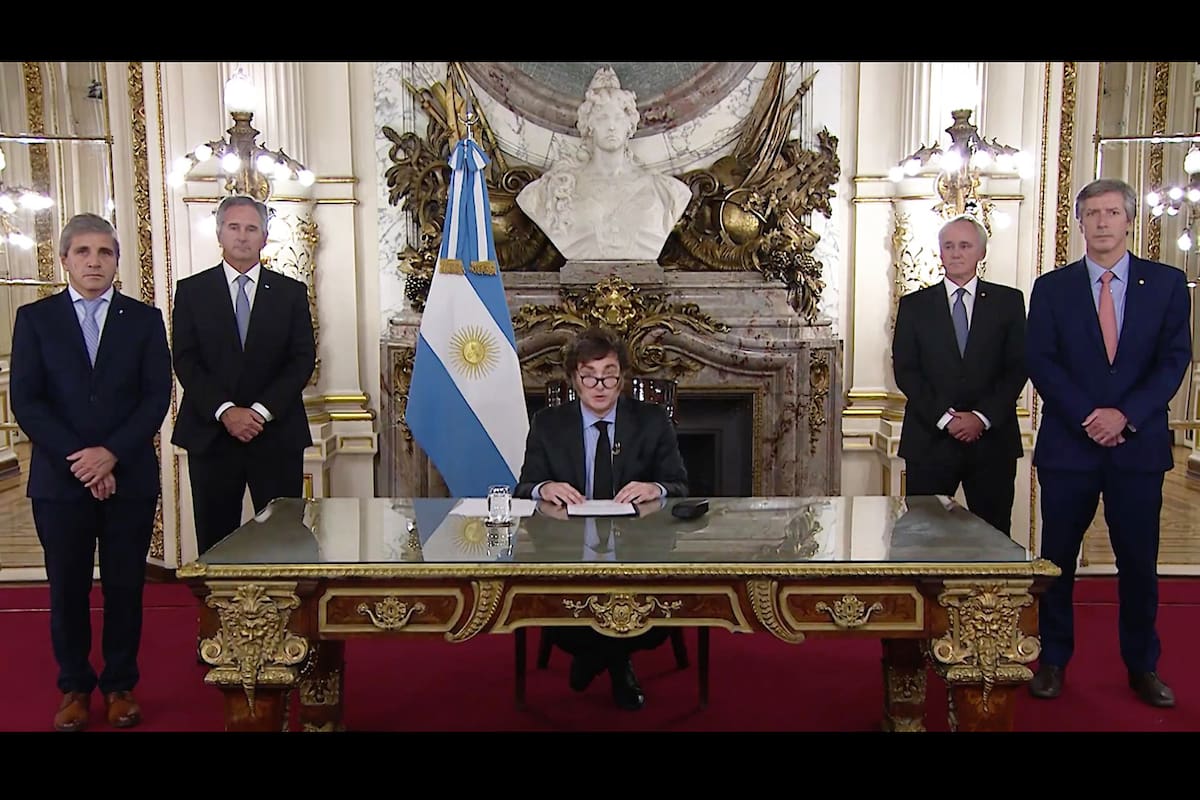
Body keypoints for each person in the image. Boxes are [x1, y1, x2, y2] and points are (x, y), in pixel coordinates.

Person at [1026, 178, 1191, 708]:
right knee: (1057, 562)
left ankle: (1142, 666)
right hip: (1069, 448)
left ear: (1129, 221)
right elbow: (1042, 362)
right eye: (1092, 213)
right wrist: (1088, 416)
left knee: (1138, 562)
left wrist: (1127, 415)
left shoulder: (1166, 284)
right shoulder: (1051, 289)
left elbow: (1173, 360)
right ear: (1079, 223)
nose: (1102, 222)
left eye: (1112, 212)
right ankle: (1051, 659)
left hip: (1137, 448)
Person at [10, 213, 172, 731]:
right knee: (68, 588)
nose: (94, 262)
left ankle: (120, 685)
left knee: (126, 587)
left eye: (105, 253)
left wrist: (112, 455)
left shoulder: (143, 320)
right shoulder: (34, 320)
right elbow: (27, 402)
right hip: (61, 481)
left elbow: (156, 396)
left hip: (130, 478)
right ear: (64, 261)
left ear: (117, 262)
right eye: (83, 252)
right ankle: (75, 687)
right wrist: (83, 460)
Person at [514, 326, 688, 710]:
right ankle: (617, 663)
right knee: (565, 608)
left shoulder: (652, 420)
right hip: (568, 552)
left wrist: (654, 489)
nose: (599, 385)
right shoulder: (548, 423)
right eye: (588, 376)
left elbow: (679, 485)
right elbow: (523, 487)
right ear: (574, 379)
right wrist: (544, 488)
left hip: (638, 550)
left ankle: (595, 657)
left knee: (649, 614)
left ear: (622, 377)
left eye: (609, 375)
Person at [171, 194, 316, 555]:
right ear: (219, 233)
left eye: (252, 229)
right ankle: (220, 613)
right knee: (216, 540)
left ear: (264, 237)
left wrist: (260, 412)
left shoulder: (290, 293)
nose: (242, 236)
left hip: (276, 434)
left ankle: (281, 612)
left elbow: (301, 360)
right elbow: (185, 359)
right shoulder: (192, 292)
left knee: (282, 540)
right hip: (212, 434)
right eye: (234, 227)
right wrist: (226, 411)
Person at [891, 214, 1027, 536]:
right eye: (948, 246)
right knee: (924, 536)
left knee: (993, 536)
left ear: (981, 252)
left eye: (965, 245)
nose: (956, 253)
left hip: (992, 442)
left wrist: (981, 416)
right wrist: (946, 418)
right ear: (940, 253)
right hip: (930, 440)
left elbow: (1017, 367)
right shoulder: (914, 305)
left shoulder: (1008, 302)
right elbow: (906, 371)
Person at [516, 66, 691, 262]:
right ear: (588, 125)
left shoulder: (667, 191)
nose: (612, 126)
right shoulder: (553, 189)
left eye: (618, 118)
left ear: (630, 125)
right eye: (602, 118)